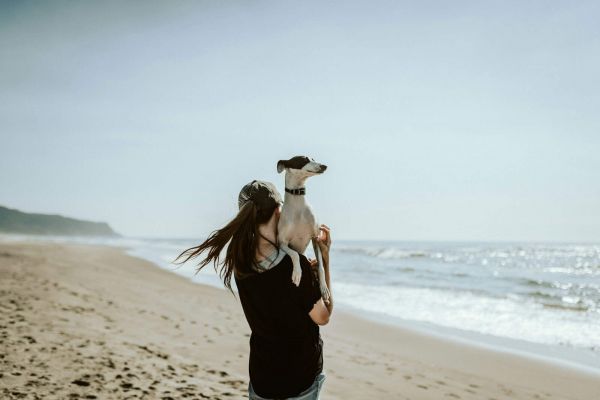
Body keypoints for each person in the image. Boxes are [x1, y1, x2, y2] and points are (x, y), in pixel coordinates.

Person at [172, 180, 334, 400]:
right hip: (299, 379)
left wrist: (307, 277)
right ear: (279, 211)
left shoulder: (240, 261)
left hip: (262, 379)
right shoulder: (293, 266)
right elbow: (323, 316)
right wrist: (324, 260)